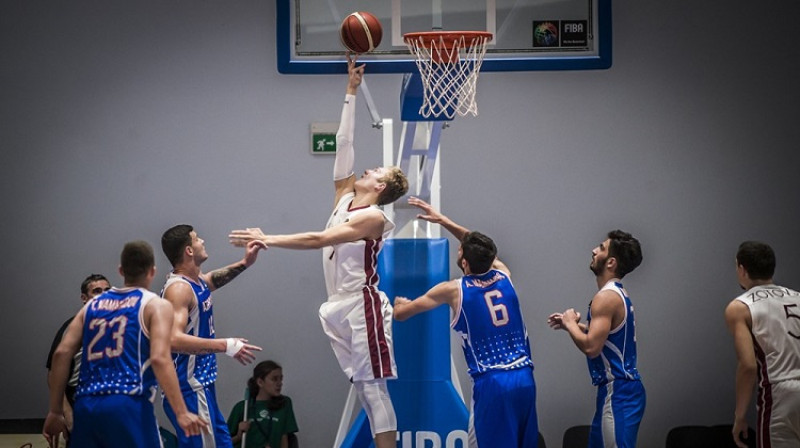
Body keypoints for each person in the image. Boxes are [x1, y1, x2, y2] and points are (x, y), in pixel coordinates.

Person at [228, 54, 408, 448]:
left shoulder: (374, 218)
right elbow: (344, 144)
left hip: (363, 305)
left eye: (375, 170)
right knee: (364, 389)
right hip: (337, 305)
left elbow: (319, 240)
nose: (367, 169)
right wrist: (350, 91)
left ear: (380, 187)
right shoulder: (345, 195)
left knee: (375, 390)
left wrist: (268, 238)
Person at [392, 197, 539, 448]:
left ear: (464, 261)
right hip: (525, 378)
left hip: (493, 383)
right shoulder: (504, 274)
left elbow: (403, 314)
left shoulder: (453, 290)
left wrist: (399, 304)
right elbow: (483, 249)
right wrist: (445, 221)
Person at [42, 241, 208, 448]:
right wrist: (181, 412)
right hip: (128, 402)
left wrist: (55, 411)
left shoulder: (92, 306)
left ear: (121, 271)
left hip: (86, 404)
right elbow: (159, 357)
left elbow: (61, 354)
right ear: (152, 271)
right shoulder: (154, 304)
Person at [160, 224, 267, 448]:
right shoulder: (179, 290)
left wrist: (246, 262)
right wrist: (225, 345)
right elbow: (172, 340)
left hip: (201, 385)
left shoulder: (195, 282)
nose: (203, 242)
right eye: (197, 239)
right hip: (188, 387)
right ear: (189, 250)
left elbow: (210, 281)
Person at [547, 230, 645, 448]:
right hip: (615, 390)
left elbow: (592, 347)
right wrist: (570, 325)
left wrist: (572, 323)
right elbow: (606, 337)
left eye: (600, 248)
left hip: (619, 391)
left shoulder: (606, 298)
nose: (593, 250)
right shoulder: (615, 293)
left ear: (610, 262)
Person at [724, 241, 800, 448]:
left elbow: (748, 365)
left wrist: (739, 416)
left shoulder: (740, 307)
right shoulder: (798, 297)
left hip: (780, 391)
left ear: (741, 269)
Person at [45, 273, 111, 437]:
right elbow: (53, 375)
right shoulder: (72, 329)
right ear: (84, 298)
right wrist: (65, 413)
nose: (103, 295)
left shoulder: (118, 326)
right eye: (97, 291)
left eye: (107, 290)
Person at [227, 360, 299, 448]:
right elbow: (222, 443)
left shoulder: (284, 403)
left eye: (281, 379)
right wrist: (238, 437)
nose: (279, 383)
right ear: (260, 382)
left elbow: (284, 436)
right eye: (274, 379)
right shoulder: (242, 407)